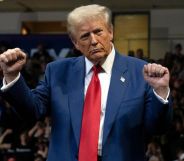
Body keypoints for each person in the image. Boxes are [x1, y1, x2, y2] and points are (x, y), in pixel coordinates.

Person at [0, 4, 172, 161]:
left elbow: (157, 128)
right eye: (84, 36)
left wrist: (161, 92)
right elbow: (33, 110)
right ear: (75, 43)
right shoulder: (57, 72)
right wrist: (12, 76)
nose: (94, 41)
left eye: (98, 32)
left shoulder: (140, 71)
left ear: (110, 31)